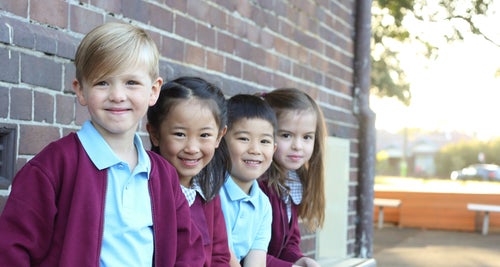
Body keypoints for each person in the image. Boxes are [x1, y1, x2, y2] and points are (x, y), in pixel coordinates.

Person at [0, 22, 204, 266]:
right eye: (102, 83)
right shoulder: (53, 167)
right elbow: (12, 250)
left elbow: (188, 252)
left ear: (153, 90)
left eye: (131, 83)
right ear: (81, 90)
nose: (117, 95)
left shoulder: (163, 176)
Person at [146, 76, 231, 266]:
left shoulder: (207, 191)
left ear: (219, 137)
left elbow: (219, 255)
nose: (192, 148)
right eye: (180, 134)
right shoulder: (147, 189)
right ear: (155, 134)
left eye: (204, 135)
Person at [258, 88, 327, 267]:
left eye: (306, 137)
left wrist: (300, 260)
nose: (297, 146)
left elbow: (288, 242)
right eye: (286, 135)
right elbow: (246, 251)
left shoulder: (292, 180)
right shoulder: (258, 185)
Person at [219, 94, 277, 267]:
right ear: (221, 141)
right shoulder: (211, 190)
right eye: (244, 139)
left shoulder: (263, 205)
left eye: (265, 141)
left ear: (274, 149)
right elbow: (222, 252)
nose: (255, 149)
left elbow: (256, 260)